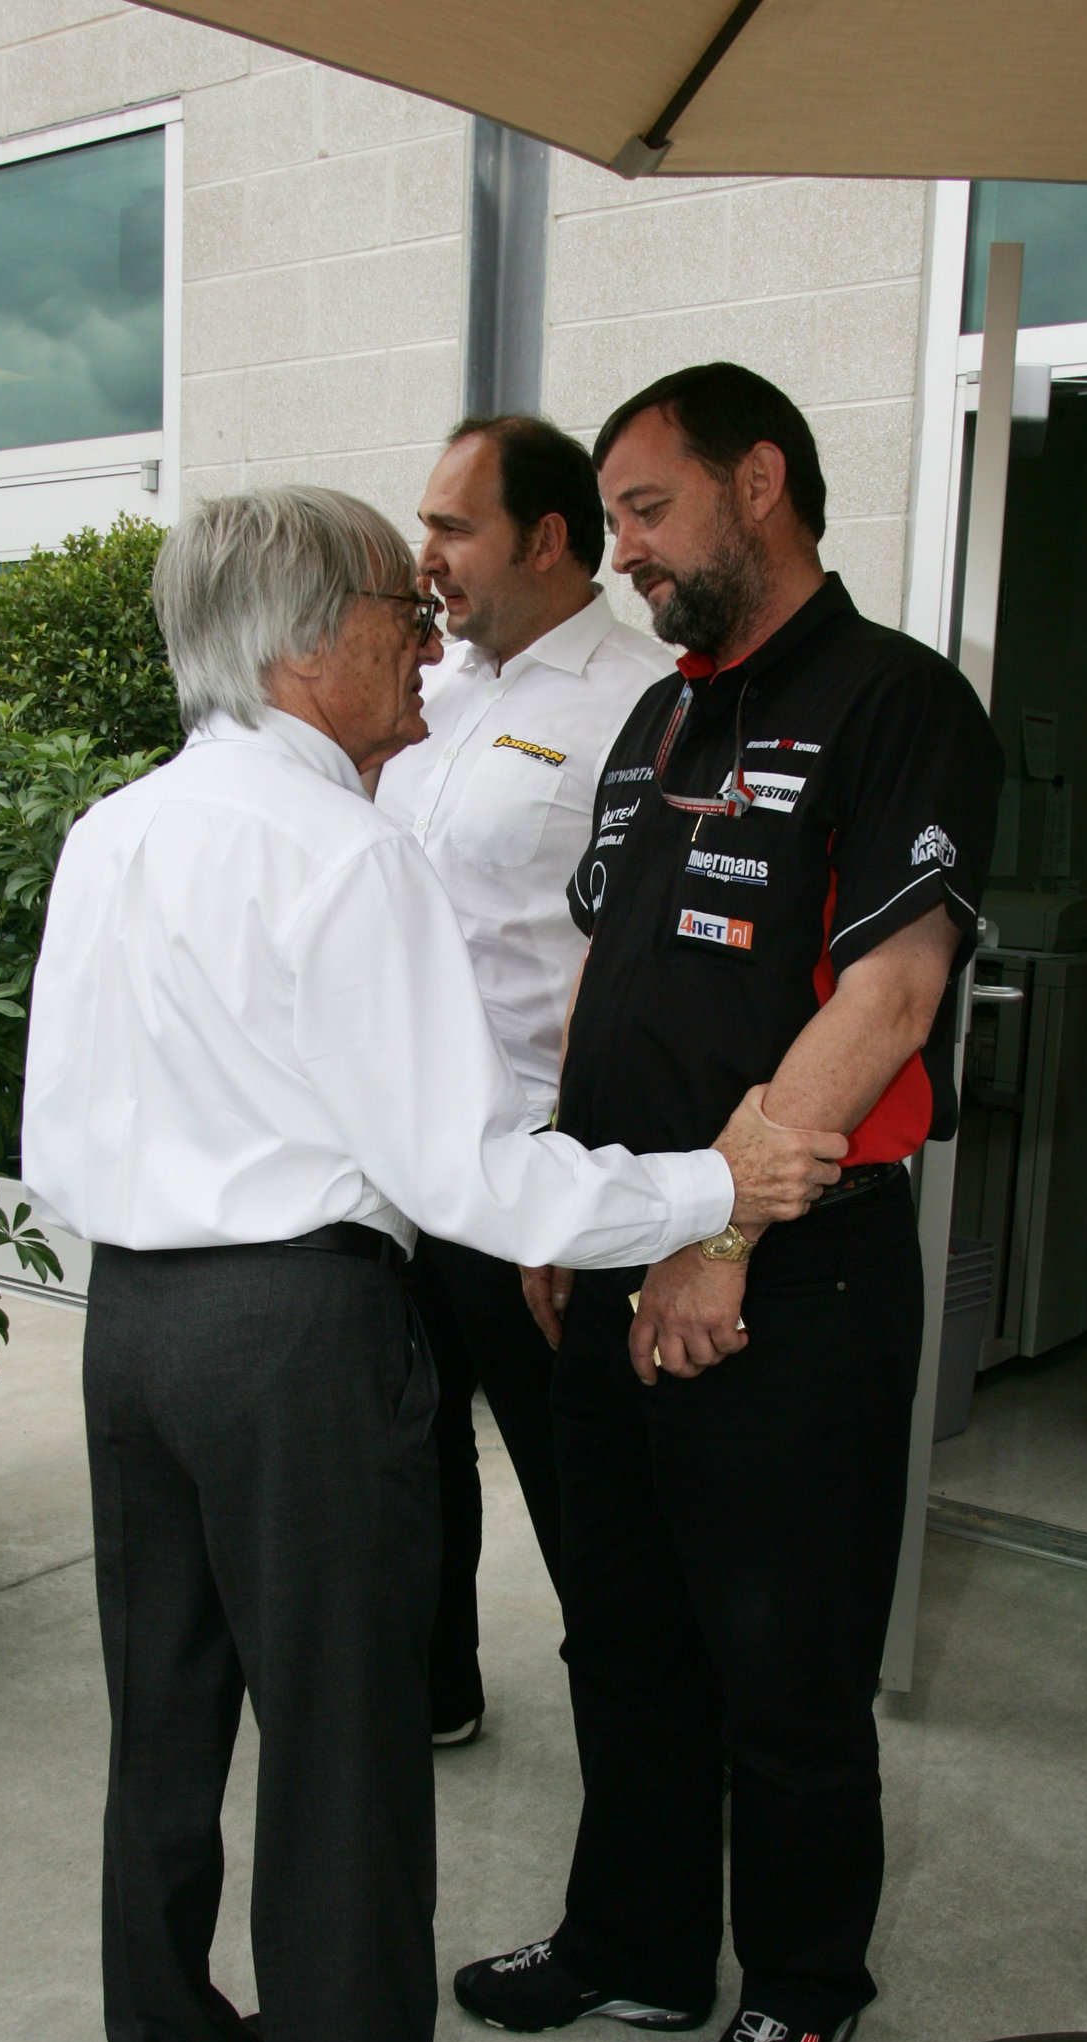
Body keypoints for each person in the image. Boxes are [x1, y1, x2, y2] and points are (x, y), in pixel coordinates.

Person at [21, 486, 848, 2042]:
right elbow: (476, 1175)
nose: (434, 638)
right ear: (309, 644)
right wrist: (721, 1184)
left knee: (167, 1726)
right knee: (343, 1756)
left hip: (143, 1327)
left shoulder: (121, 829)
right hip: (294, 1340)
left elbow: (56, 1128)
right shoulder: (341, 853)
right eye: (405, 611)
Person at [453, 365, 1002, 2042]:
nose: (623, 552)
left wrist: (720, 1230)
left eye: (646, 509)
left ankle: (801, 1982)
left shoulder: (898, 702)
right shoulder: (662, 719)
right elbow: (609, 978)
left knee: (782, 1664)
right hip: (618, 1254)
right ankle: (635, 1939)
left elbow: (894, 990)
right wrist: (566, 1194)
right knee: (621, 1634)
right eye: (613, 518)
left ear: (759, 484)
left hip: (790, 1277)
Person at [374, 415, 668, 1746]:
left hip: (532, 1162)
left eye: (452, 525)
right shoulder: (424, 693)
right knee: (409, 1450)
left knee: (581, 1485)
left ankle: (649, 1744)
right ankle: (434, 1689)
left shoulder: (644, 704)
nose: (423, 553)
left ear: (547, 540)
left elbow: (644, 956)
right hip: (396, 1156)